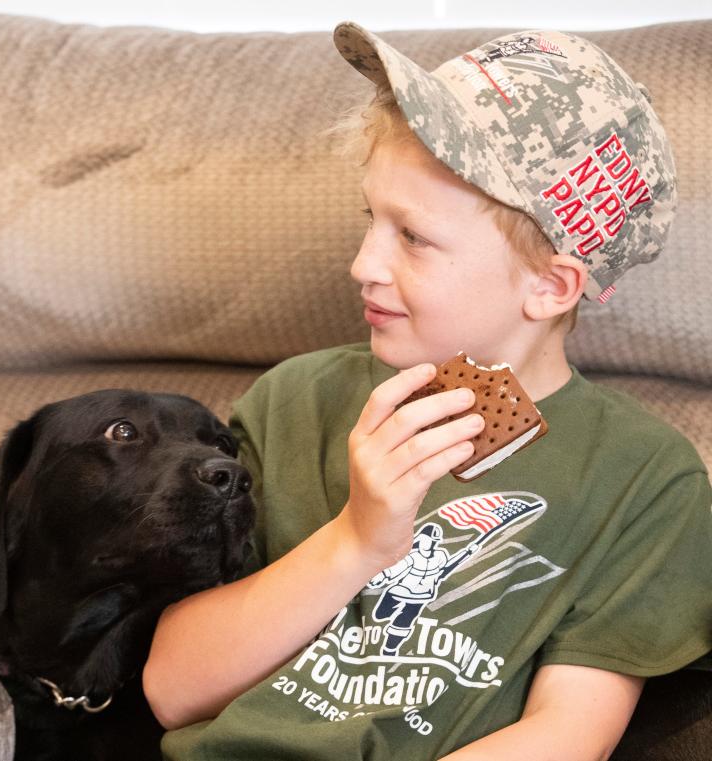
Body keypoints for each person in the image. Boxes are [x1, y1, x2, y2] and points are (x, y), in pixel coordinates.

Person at [142, 22, 712, 760]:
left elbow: (568, 734)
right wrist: (358, 539)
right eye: (369, 219)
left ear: (549, 285)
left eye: (412, 237)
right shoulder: (295, 401)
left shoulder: (642, 477)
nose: (362, 263)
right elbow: (172, 686)